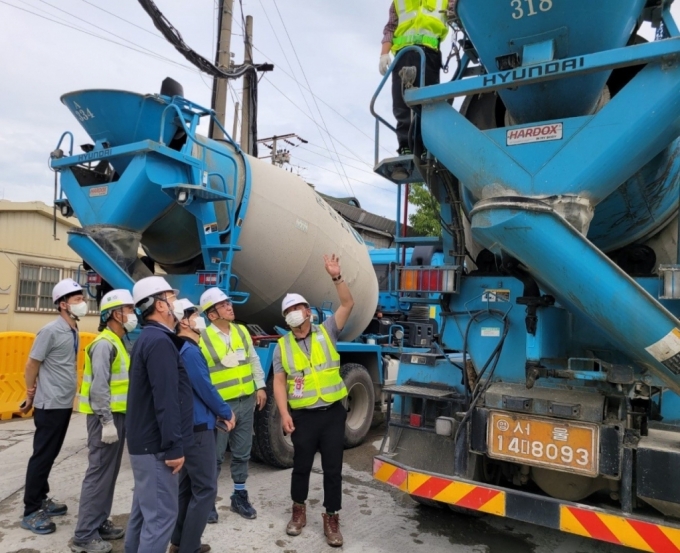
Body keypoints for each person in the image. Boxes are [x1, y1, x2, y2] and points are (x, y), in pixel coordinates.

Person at [272, 254, 354, 547]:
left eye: (298, 307)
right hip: (303, 416)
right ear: (285, 318)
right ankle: (298, 512)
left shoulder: (327, 331)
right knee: (301, 466)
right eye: (289, 310)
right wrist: (284, 414)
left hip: (332, 413)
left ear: (308, 312)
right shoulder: (281, 346)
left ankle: (332, 518)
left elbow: (347, 304)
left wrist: (336, 277)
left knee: (333, 469)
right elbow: (279, 382)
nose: (294, 313)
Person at [124, 276, 194, 553]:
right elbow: (166, 399)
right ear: (160, 305)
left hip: (144, 443)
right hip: (155, 447)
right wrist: (174, 446)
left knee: (144, 512)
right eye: (172, 297)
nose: (176, 303)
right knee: (162, 517)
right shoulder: (160, 342)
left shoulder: (150, 338)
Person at [70, 289, 137, 553]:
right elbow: (99, 389)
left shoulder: (118, 342)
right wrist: (107, 421)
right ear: (114, 314)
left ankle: (99, 523)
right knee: (98, 474)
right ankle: (84, 535)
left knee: (108, 474)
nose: (133, 314)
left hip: (116, 416)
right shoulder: (104, 344)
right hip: (104, 420)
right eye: (128, 309)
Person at [21, 278, 89, 535]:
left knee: (50, 453)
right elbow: (31, 364)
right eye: (77, 299)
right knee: (42, 454)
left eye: (82, 298)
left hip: (62, 402)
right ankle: (30, 510)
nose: (82, 303)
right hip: (49, 403)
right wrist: (30, 394)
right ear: (62, 305)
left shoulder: (72, 329)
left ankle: (42, 497)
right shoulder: (50, 330)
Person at [169, 299, 236, 553]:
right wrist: (224, 410)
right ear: (183, 321)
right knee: (206, 489)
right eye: (195, 315)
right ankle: (189, 547)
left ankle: (178, 542)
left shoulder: (182, 349)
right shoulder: (190, 351)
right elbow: (204, 388)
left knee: (187, 488)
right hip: (197, 430)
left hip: (192, 424)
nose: (200, 319)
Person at [198, 288, 267, 522]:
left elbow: (253, 359)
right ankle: (208, 502)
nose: (229, 306)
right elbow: (202, 376)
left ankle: (239, 497)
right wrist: (215, 406)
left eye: (228, 302)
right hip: (220, 407)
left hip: (246, 400)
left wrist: (259, 386)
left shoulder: (241, 331)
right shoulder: (202, 338)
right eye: (223, 304)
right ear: (212, 314)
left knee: (242, 452)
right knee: (215, 457)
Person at [379, 0, 452, 155]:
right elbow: (390, 28)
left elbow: (459, 12)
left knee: (427, 103)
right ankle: (406, 145)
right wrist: (384, 54)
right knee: (402, 102)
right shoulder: (399, 2)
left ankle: (426, 145)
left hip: (429, 55)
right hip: (403, 55)